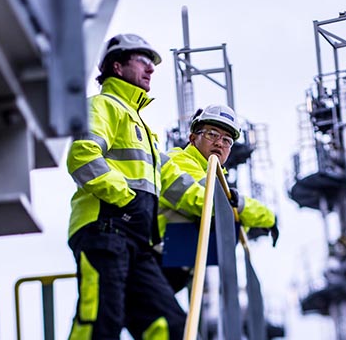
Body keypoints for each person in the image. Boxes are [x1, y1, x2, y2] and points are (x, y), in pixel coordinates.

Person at [66, 34, 186, 339]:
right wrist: (126, 201)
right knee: (100, 322)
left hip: (137, 242)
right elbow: (82, 156)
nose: (151, 69)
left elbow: (174, 183)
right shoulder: (104, 106)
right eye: (143, 61)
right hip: (104, 230)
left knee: (170, 325)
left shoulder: (143, 127)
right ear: (117, 67)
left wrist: (231, 204)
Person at [157, 104, 278, 292]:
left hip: (175, 264)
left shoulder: (212, 173)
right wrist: (267, 217)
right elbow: (210, 203)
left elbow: (229, 217)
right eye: (212, 134)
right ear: (192, 138)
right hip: (158, 257)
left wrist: (242, 213)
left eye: (227, 140)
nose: (220, 143)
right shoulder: (179, 161)